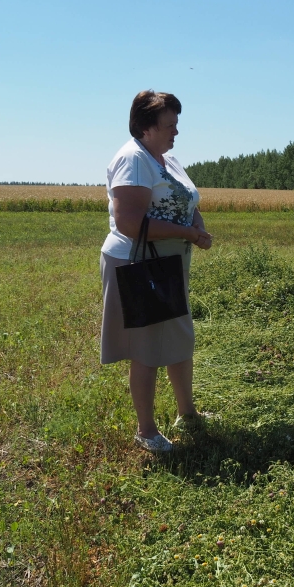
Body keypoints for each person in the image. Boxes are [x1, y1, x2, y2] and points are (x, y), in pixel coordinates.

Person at [99, 90, 213, 454]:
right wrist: (188, 234)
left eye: (176, 124)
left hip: (168, 265)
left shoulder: (167, 159)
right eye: (169, 125)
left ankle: (188, 413)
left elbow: (186, 198)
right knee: (146, 349)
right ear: (146, 127)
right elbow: (130, 222)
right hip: (137, 263)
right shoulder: (133, 159)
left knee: (180, 340)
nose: (175, 132)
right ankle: (146, 431)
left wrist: (197, 224)